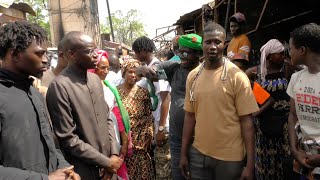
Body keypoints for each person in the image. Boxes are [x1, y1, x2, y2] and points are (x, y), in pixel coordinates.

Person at [0, 21, 80, 180]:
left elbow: (50, 144)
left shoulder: (34, 93)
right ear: (15, 54)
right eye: (39, 53)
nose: (45, 60)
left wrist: (65, 169)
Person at [180, 22, 259, 180]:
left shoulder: (237, 77)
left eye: (217, 42)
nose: (213, 46)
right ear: (202, 45)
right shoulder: (193, 76)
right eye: (208, 42)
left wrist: (250, 165)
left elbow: (247, 122)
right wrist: (183, 154)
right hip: (198, 154)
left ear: (225, 44)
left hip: (230, 158)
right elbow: (190, 116)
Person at [46, 31, 123, 179]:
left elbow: (107, 118)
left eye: (95, 49)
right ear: (72, 54)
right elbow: (68, 138)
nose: (96, 54)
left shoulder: (95, 80)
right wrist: (105, 162)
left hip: (109, 167)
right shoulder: (60, 86)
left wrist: (113, 154)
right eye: (89, 51)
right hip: (84, 170)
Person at [136, 33, 203, 180]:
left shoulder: (205, 72)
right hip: (176, 137)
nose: (182, 55)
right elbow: (142, 70)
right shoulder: (174, 67)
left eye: (186, 52)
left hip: (200, 138)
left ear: (198, 53)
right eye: (179, 51)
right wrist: (146, 70)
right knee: (179, 174)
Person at [246, 39, 293, 179]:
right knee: (266, 165)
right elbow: (244, 86)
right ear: (269, 56)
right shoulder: (255, 72)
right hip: (263, 127)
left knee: (284, 164)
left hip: (284, 127)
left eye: (283, 53)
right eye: (279, 53)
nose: (283, 56)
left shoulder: (287, 69)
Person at [133, 36, 171, 179]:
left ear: (143, 50)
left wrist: (161, 129)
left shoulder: (158, 69)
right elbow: (138, 82)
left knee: (163, 167)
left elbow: (166, 99)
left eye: (136, 52)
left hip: (164, 125)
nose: (135, 56)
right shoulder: (148, 69)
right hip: (157, 123)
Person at [287, 23, 320, 179]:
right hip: (304, 161)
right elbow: (293, 115)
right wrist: (294, 150)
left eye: (291, 48)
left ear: (302, 50)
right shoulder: (296, 78)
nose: (289, 52)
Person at [93, 50, 130, 180]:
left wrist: (124, 139)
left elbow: (117, 114)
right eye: (102, 68)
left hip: (114, 136)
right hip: (98, 139)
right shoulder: (87, 88)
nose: (106, 71)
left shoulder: (109, 86)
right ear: (93, 68)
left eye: (108, 68)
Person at [117, 59, 155, 180]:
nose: (133, 75)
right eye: (130, 72)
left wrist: (149, 134)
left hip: (140, 139)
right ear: (123, 73)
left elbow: (149, 116)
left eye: (136, 73)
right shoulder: (116, 92)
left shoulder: (143, 92)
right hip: (123, 138)